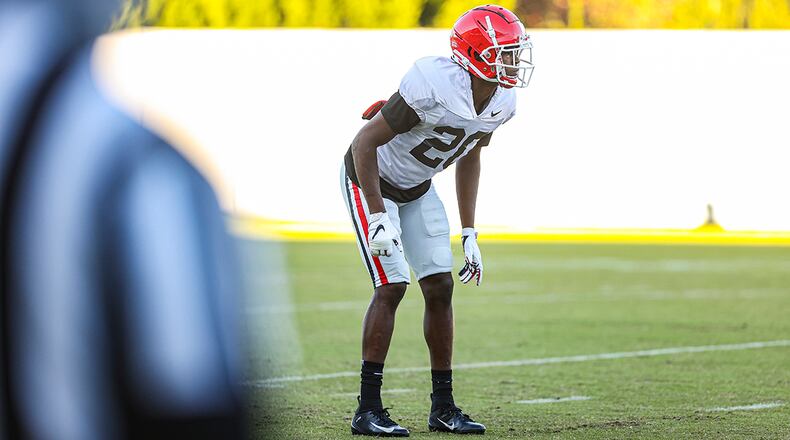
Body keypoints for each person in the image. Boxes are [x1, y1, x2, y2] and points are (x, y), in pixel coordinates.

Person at [340, 5, 534, 437]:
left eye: (514, 52)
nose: (513, 62)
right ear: (474, 53)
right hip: (370, 179)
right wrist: (376, 215)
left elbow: (470, 157)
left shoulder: (502, 100)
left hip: (419, 187)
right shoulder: (433, 83)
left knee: (440, 286)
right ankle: (367, 409)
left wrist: (469, 232)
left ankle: (443, 408)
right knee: (392, 285)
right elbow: (364, 142)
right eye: (504, 52)